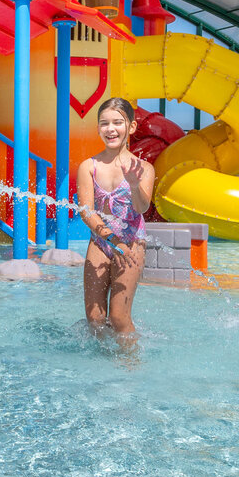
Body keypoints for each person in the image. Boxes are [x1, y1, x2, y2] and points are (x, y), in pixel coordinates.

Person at [76, 98, 155, 345]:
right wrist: (111, 238)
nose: (111, 129)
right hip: (101, 242)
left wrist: (133, 184)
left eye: (118, 122)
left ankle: (130, 366)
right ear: (98, 128)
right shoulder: (89, 166)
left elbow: (142, 207)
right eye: (104, 123)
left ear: (131, 127)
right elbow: (86, 211)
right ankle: (101, 365)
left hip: (132, 244)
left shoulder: (144, 168)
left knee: (119, 318)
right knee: (95, 318)